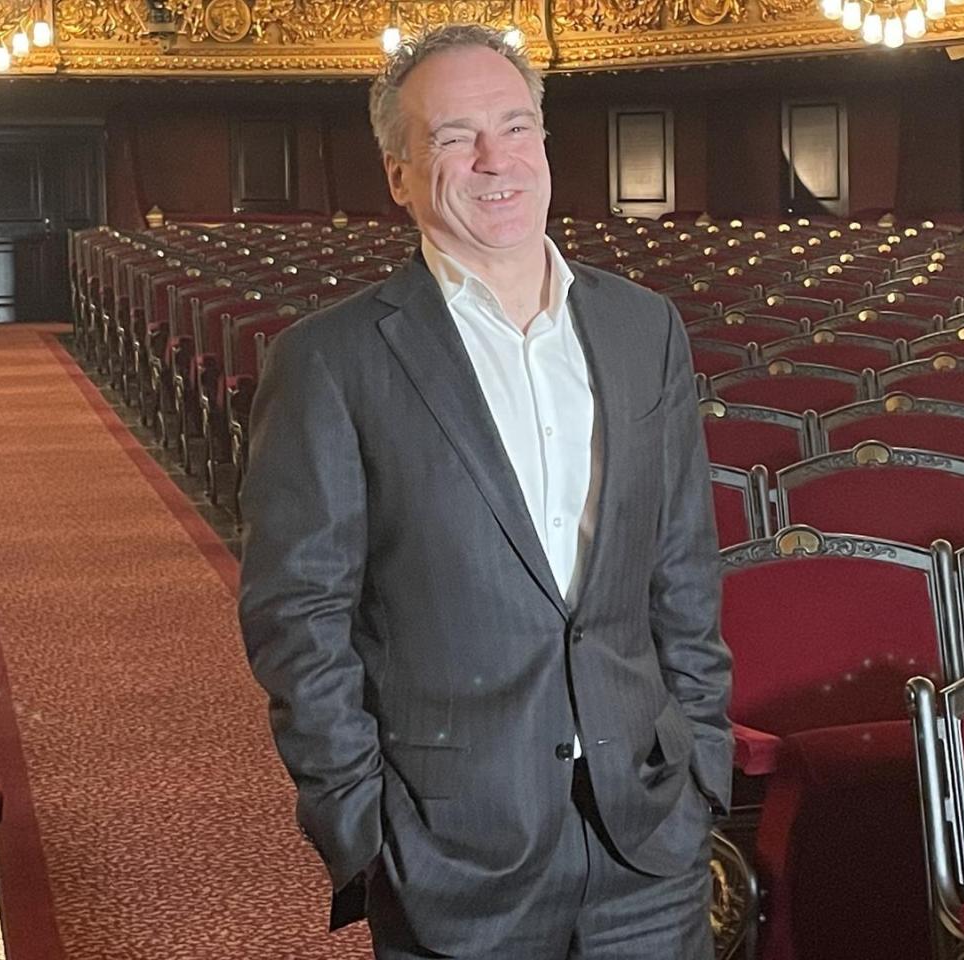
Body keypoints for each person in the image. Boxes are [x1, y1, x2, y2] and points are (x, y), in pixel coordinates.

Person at [238, 22, 732, 960]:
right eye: (455, 136)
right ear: (399, 172)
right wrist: (363, 824)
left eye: (515, 127)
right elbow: (298, 614)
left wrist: (701, 762)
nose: (494, 159)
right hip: (451, 845)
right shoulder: (330, 359)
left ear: (546, 144)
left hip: (648, 834)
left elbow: (681, 568)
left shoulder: (642, 327)